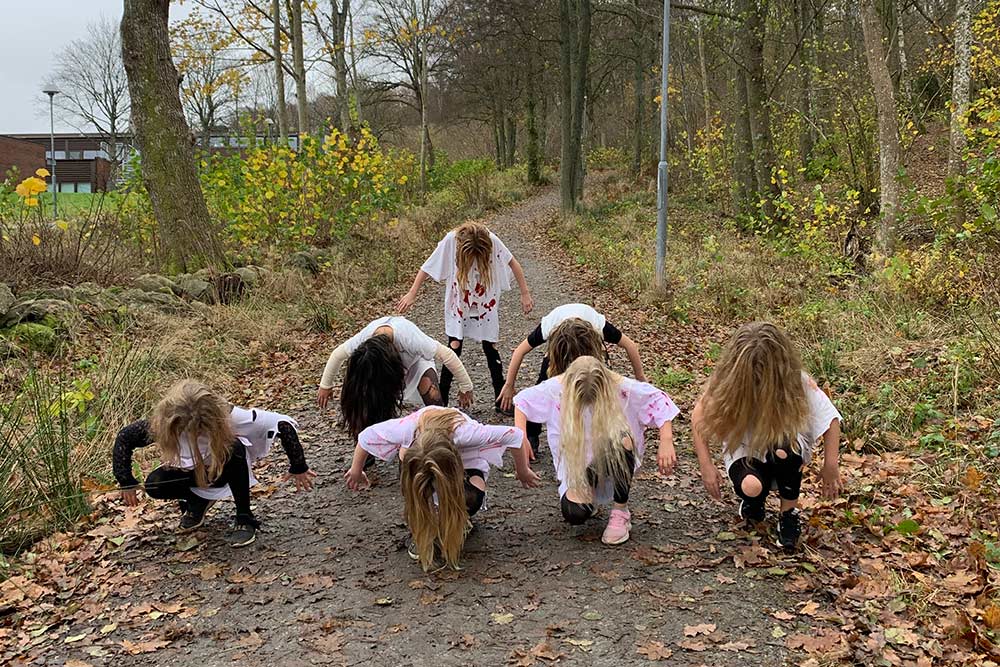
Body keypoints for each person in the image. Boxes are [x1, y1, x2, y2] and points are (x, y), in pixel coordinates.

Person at [690, 322, 843, 551]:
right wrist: (706, 465)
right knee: (751, 486)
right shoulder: (728, 381)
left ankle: (788, 514)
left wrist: (830, 465)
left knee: (784, 449)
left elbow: (830, 419)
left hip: (784, 449)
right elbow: (698, 415)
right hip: (745, 450)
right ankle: (754, 501)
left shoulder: (797, 382)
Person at [112, 379, 316, 548]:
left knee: (234, 448)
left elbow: (282, 424)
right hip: (193, 473)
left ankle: (244, 517)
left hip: (227, 471)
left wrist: (298, 465)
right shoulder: (164, 424)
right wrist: (126, 480)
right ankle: (198, 501)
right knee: (155, 484)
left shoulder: (233, 417)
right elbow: (125, 438)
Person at [344, 407, 538, 570]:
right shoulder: (403, 431)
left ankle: (459, 518)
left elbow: (516, 435)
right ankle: (425, 523)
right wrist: (356, 470)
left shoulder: (467, 434)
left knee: (469, 499)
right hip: (421, 458)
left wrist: (522, 471)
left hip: (466, 463)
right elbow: (365, 437)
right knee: (416, 478)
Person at [513, 355, 678, 545]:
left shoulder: (620, 385)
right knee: (574, 514)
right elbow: (522, 401)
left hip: (610, 460)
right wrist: (521, 434)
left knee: (621, 440)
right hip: (577, 468)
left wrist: (666, 440)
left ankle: (620, 511)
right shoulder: (556, 387)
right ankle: (589, 496)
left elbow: (658, 399)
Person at [396, 221, 533, 412]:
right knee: (454, 347)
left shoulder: (492, 241)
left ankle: (501, 400)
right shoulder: (451, 241)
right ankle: (441, 401)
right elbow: (428, 266)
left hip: (486, 301)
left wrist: (525, 293)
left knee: (490, 346)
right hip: (459, 303)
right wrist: (412, 293)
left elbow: (513, 263)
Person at [498, 304, 647, 455]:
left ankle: (604, 432)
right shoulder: (549, 326)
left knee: (598, 386)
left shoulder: (599, 326)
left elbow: (630, 345)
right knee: (543, 385)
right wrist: (509, 385)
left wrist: (641, 378)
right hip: (559, 343)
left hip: (588, 347)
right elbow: (519, 351)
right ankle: (531, 435)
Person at [316, 316, 474, 440]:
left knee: (433, 395)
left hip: (414, 364)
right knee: (364, 402)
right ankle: (366, 445)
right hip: (380, 373)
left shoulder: (409, 336)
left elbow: (446, 354)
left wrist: (466, 386)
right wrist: (325, 385)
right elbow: (337, 355)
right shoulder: (365, 340)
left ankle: (441, 435)